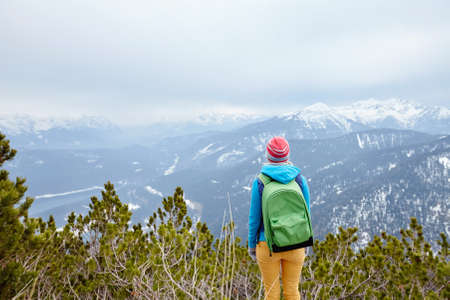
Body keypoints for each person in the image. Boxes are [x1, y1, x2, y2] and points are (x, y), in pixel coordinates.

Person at [248, 136, 311, 300]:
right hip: (296, 242)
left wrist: (251, 245)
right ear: (288, 156)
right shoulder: (299, 180)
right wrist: (306, 240)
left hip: (267, 245)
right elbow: (307, 213)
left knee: (272, 293)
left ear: (268, 156)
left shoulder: (260, 182)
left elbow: (254, 219)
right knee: (292, 291)